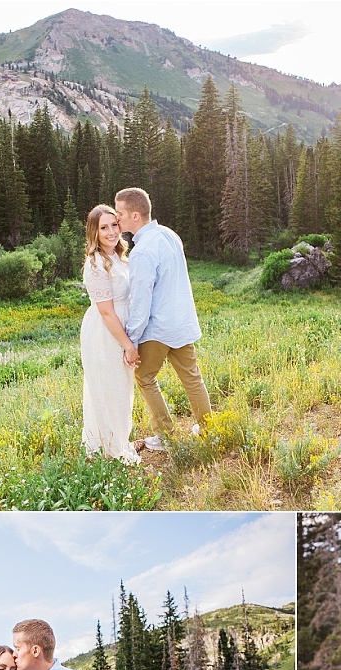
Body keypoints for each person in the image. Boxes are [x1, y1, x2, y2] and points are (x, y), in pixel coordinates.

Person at [114, 186, 212, 452]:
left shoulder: (143, 251)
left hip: (158, 328)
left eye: (120, 213)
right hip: (181, 322)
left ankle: (166, 436)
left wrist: (131, 341)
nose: (116, 218)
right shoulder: (169, 235)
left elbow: (141, 301)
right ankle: (209, 429)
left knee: (145, 377)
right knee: (192, 377)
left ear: (135, 215)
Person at [80, 204, 143, 463]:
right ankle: (114, 446)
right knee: (110, 386)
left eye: (113, 225)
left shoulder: (118, 257)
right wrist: (127, 344)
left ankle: (117, 438)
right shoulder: (96, 264)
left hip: (119, 326)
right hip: (106, 332)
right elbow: (106, 311)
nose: (110, 232)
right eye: (103, 227)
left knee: (120, 387)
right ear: (94, 232)